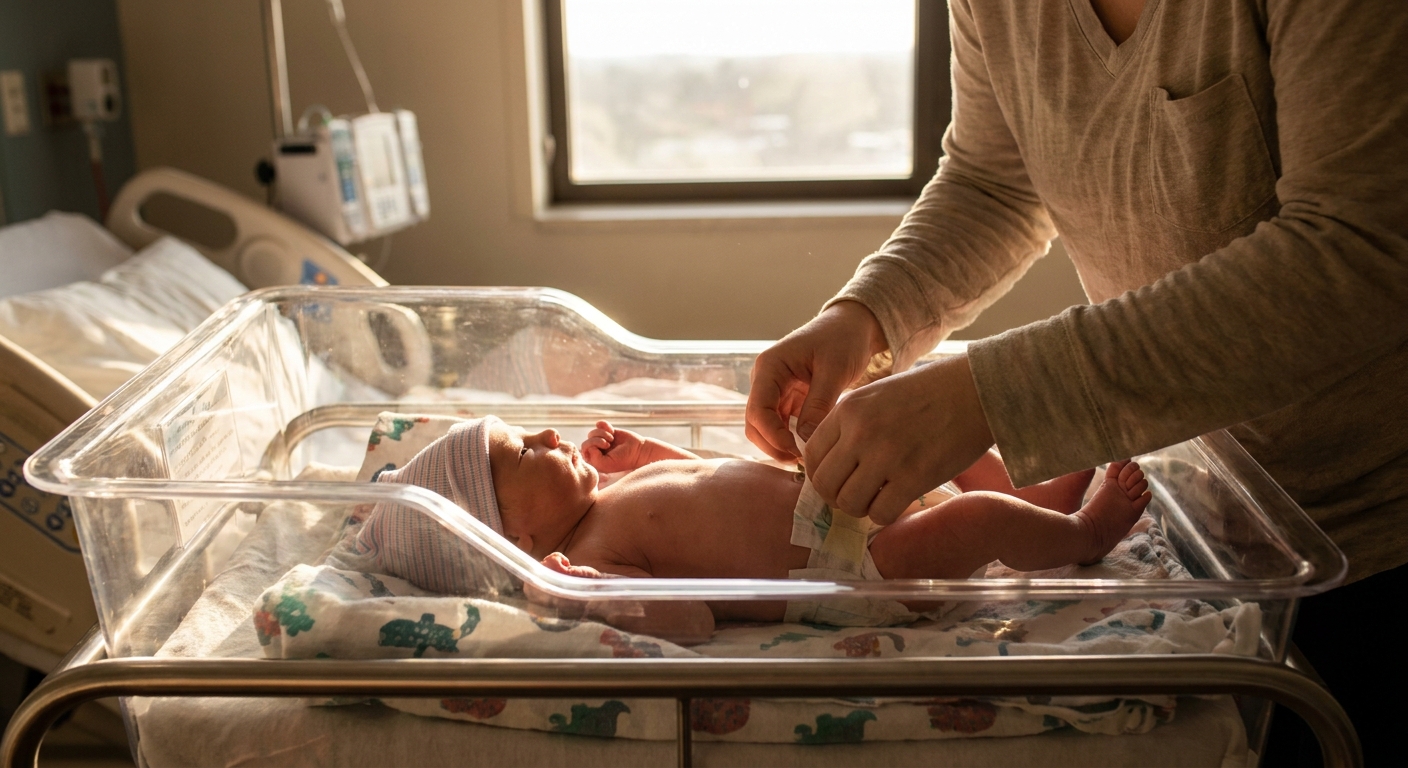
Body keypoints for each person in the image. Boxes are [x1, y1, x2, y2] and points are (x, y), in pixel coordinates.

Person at [743, 1, 1406, 763]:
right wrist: (866, 316)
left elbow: (1359, 252)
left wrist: (991, 394)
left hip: (1369, 527)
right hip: (1195, 503)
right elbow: (995, 182)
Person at [353, 416, 1151, 644]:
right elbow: (693, 620)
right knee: (973, 522)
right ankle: (1079, 537)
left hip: (846, 503)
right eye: (523, 453)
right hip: (860, 572)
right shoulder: (591, 558)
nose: (551, 437)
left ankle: (1034, 500)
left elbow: (704, 479)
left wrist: (646, 451)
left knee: (926, 431)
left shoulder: (612, 493)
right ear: (514, 537)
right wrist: (592, 600)